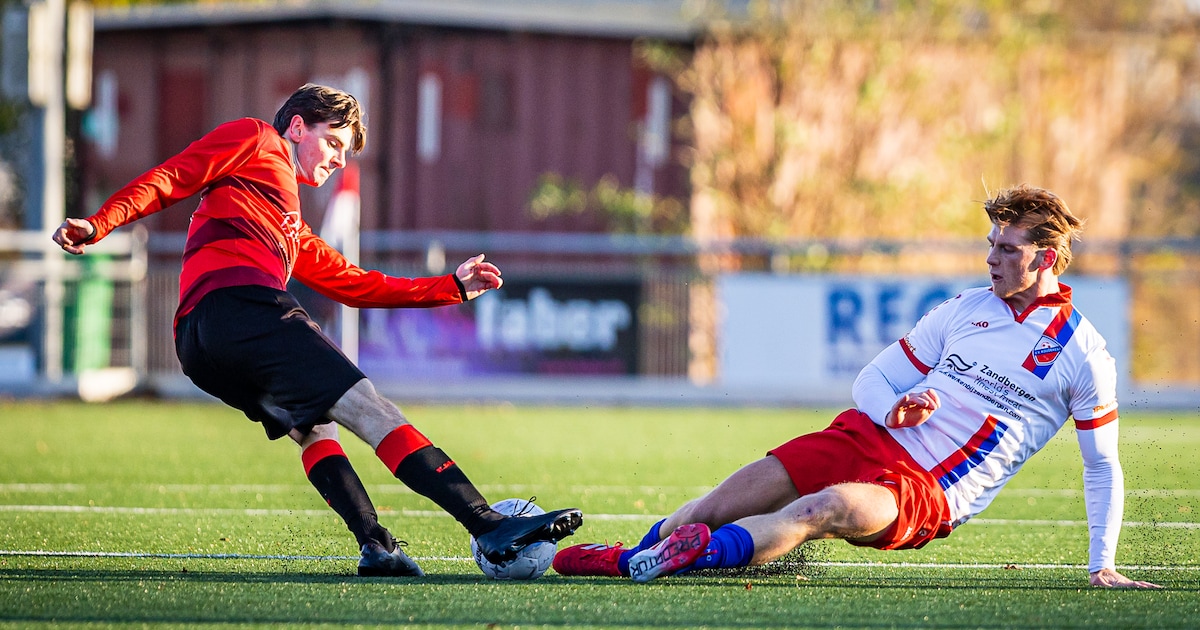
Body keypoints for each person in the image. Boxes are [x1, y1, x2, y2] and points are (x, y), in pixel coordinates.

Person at [52, 83, 582, 577]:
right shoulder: (256, 138)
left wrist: (450, 287)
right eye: (333, 142)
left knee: (315, 427)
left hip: (198, 343)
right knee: (371, 408)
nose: (337, 158)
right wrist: (101, 222)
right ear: (299, 127)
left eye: (347, 152)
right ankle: (487, 525)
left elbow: (356, 284)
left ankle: (377, 545)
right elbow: (174, 175)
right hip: (244, 308)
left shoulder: (287, 224)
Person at [552, 184, 1158, 589]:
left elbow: (1102, 465)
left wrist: (1102, 564)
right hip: (864, 436)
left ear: (1047, 258)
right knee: (718, 504)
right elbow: (873, 376)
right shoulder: (965, 308)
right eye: (990, 245)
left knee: (824, 510)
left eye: (1007, 249)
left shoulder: (1083, 353)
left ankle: (690, 557)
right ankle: (636, 557)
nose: (991, 259)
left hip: (927, 489)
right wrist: (894, 405)